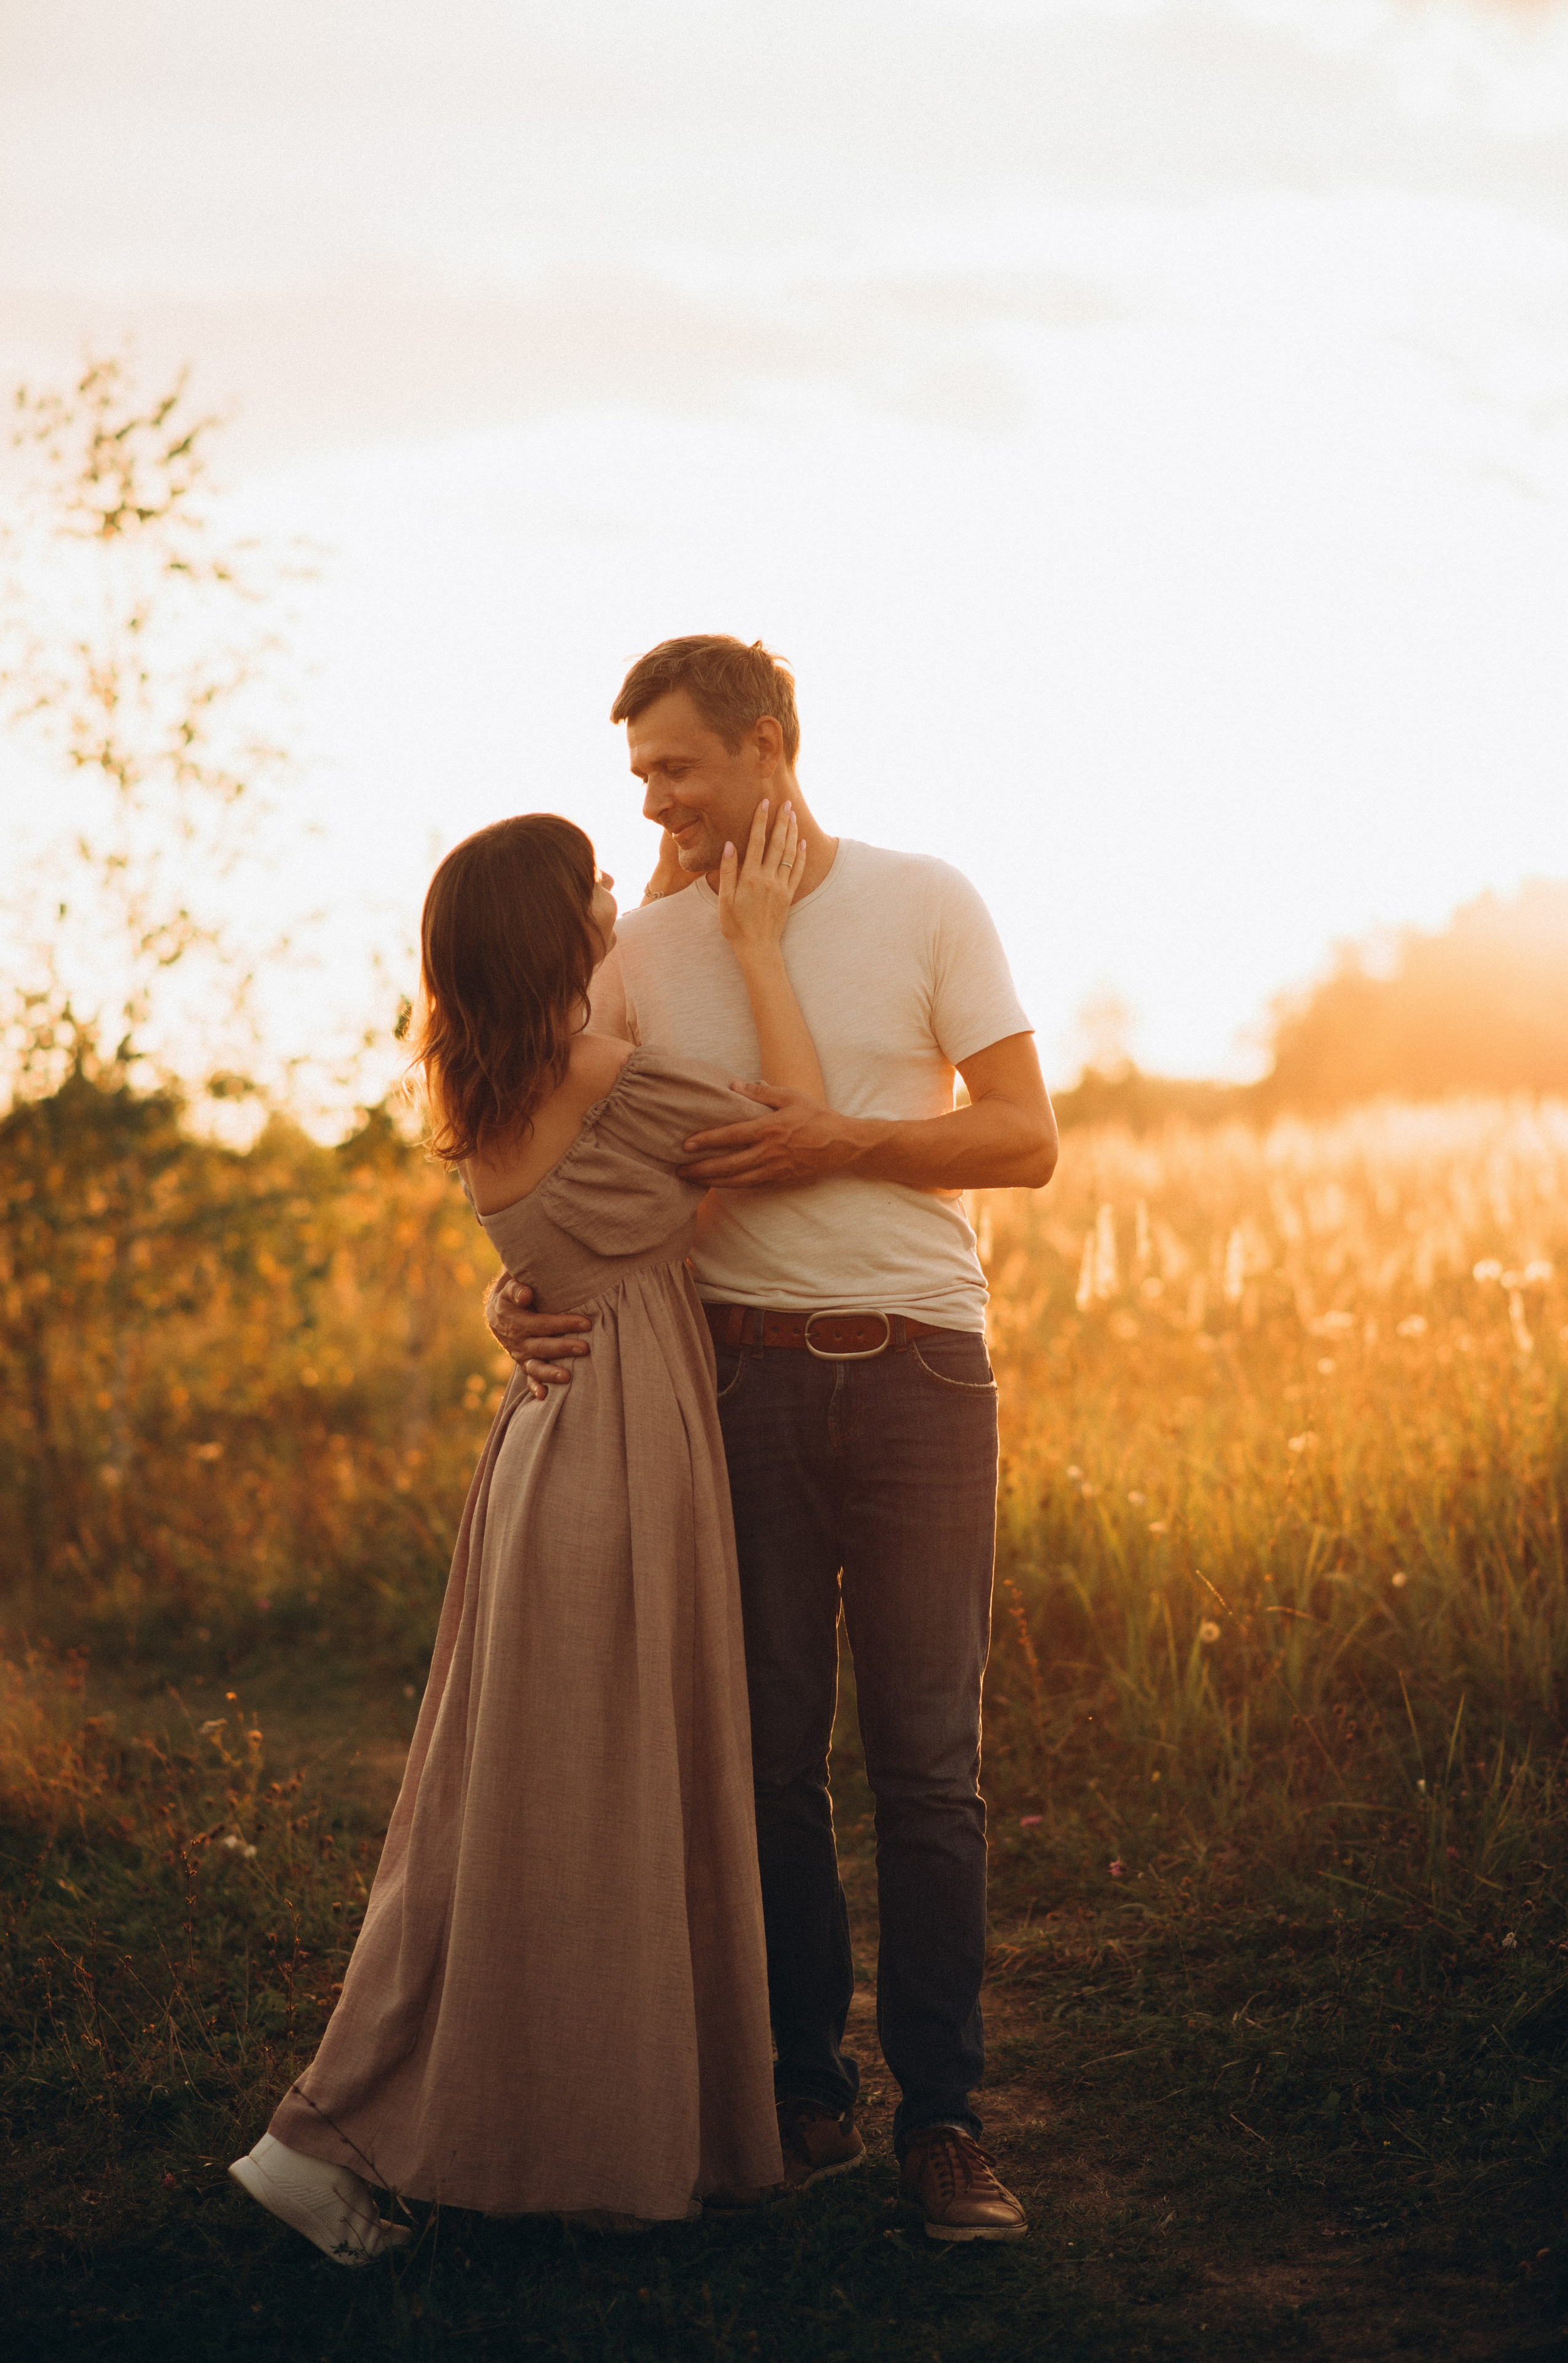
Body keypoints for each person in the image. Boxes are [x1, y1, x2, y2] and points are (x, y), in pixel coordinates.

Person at [489, 636, 1057, 2243]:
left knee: (929, 1764)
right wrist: (512, 1295)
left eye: (674, 768)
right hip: (731, 1382)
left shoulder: (926, 898)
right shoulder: (637, 952)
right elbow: (549, 1152)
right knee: (766, 1757)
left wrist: (845, 1140)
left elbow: (1024, 1139)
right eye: (639, 775)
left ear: (765, 748)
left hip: (923, 1370)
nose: (652, 803)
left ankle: (945, 2122)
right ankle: (806, 2087)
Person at [231, 801, 826, 2261]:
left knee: (527, 1804)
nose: (621, 887)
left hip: (549, 1445)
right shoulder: (610, 1077)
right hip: (620, 1445)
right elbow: (796, 1127)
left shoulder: (483, 1075)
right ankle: (329, 2135)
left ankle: (560, 2124)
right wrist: (752, 940)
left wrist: (508, 1300)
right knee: (589, 1797)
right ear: (560, 932)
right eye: (596, 884)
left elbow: (579, 1225)